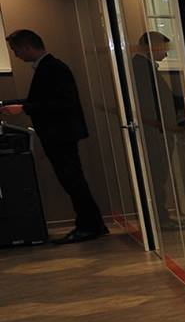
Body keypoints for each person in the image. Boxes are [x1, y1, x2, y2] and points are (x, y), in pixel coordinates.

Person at [2, 29, 109, 242]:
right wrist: (14, 104)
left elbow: (62, 102)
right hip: (60, 134)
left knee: (73, 180)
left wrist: (24, 108)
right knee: (72, 180)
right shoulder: (50, 67)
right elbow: (45, 99)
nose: (16, 55)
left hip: (61, 134)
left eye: (15, 50)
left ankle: (89, 225)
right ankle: (90, 224)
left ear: (26, 47)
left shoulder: (53, 68)